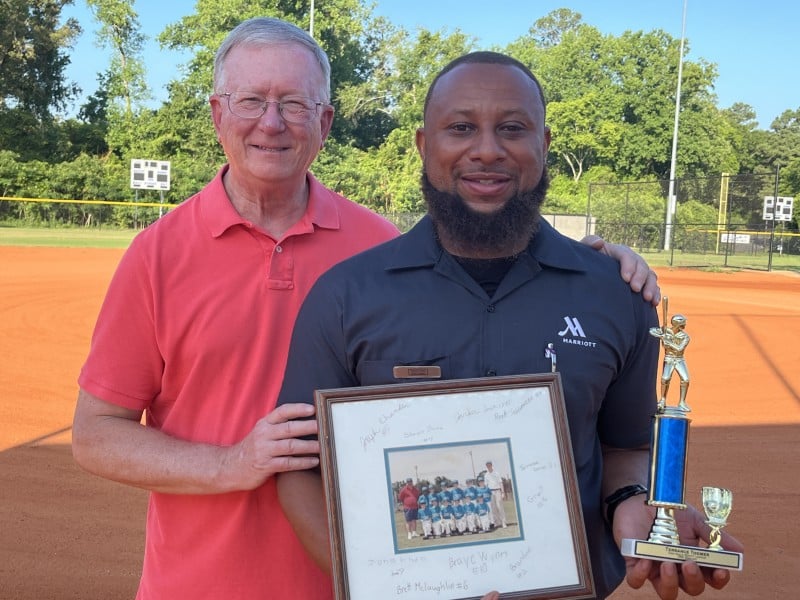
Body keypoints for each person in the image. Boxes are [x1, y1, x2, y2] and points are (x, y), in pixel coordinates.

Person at [71, 16, 658, 598]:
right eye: (250, 100)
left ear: (324, 122)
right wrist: (231, 464)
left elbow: (488, 264)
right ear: (217, 113)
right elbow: (96, 434)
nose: (271, 123)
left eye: (295, 105)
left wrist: (593, 268)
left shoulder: (378, 248)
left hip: (372, 582)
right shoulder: (156, 255)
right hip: (201, 584)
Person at [274, 51, 742, 600]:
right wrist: (389, 587)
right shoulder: (346, 295)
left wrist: (633, 501)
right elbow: (298, 469)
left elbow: (626, 445)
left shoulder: (616, 294)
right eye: (462, 128)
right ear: (425, 147)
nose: (488, 150)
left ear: (543, 146)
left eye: (513, 129)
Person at [649, 313, 691, 412]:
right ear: (677, 324)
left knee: (685, 379)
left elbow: (680, 349)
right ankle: (663, 400)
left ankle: (682, 402)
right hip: (669, 358)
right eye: (683, 323)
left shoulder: (685, 337)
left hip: (679, 359)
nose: (684, 325)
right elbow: (652, 331)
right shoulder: (666, 331)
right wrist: (661, 335)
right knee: (665, 379)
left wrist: (669, 342)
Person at [483, 460, 508, 528]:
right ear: (486, 466)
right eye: (487, 465)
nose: (488, 466)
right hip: (490, 492)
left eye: (489, 465)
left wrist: (502, 492)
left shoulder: (496, 473)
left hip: (497, 491)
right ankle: (497, 522)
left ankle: (503, 522)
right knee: (493, 508)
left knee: (500, 507)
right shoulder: (486, 475)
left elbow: (500, 483)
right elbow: (485, 485)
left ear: (491, 465)